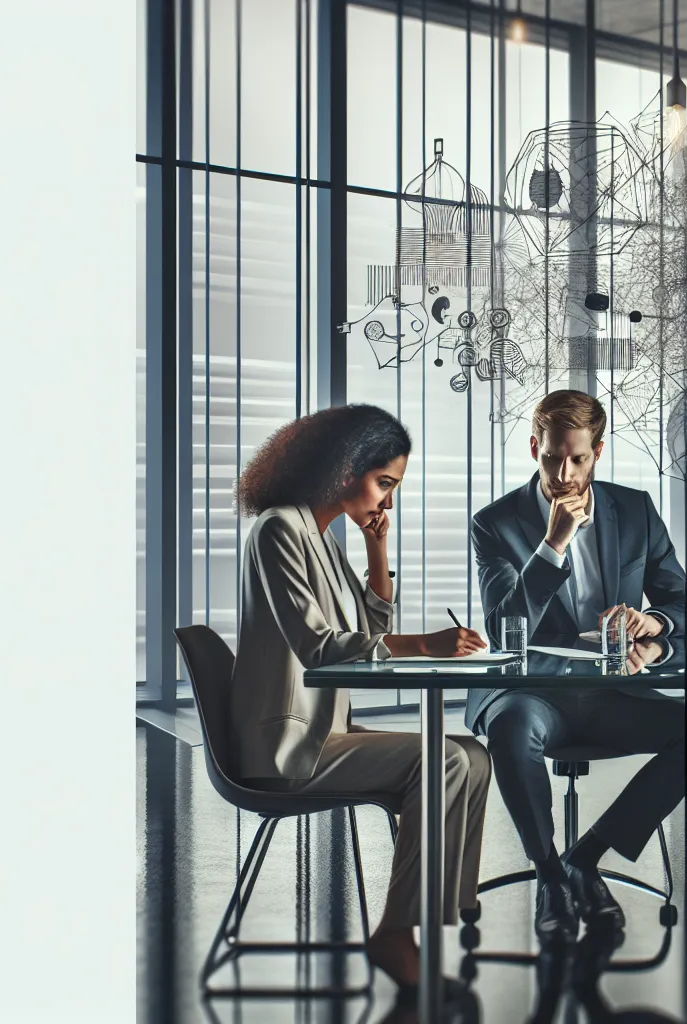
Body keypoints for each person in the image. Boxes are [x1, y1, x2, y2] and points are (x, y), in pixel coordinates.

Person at [228, 404, 493, 989]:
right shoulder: (279, 530)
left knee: (472, 753)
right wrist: (425, 644)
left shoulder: (318, 535)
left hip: (325, 732)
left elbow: (369, 629)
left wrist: (377, 548)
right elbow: (322, 648)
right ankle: (399, 933)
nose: (387, 502)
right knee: (444, 760)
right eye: (385, 485)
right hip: (288, 742)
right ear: (345, 468)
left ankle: (446, 907)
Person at [468, 389, 687, 942]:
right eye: (552, 456)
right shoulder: (495, 524)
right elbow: (504, 629)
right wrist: (554, 543)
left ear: (597, 452)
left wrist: (653, 631)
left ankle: (585, 859)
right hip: (531, 693)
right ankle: (549, 876)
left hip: (611, 692)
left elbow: (686, 606)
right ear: (534, 447)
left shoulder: (633, 510)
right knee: (511, 730)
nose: (563, 472)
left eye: (577, 458)